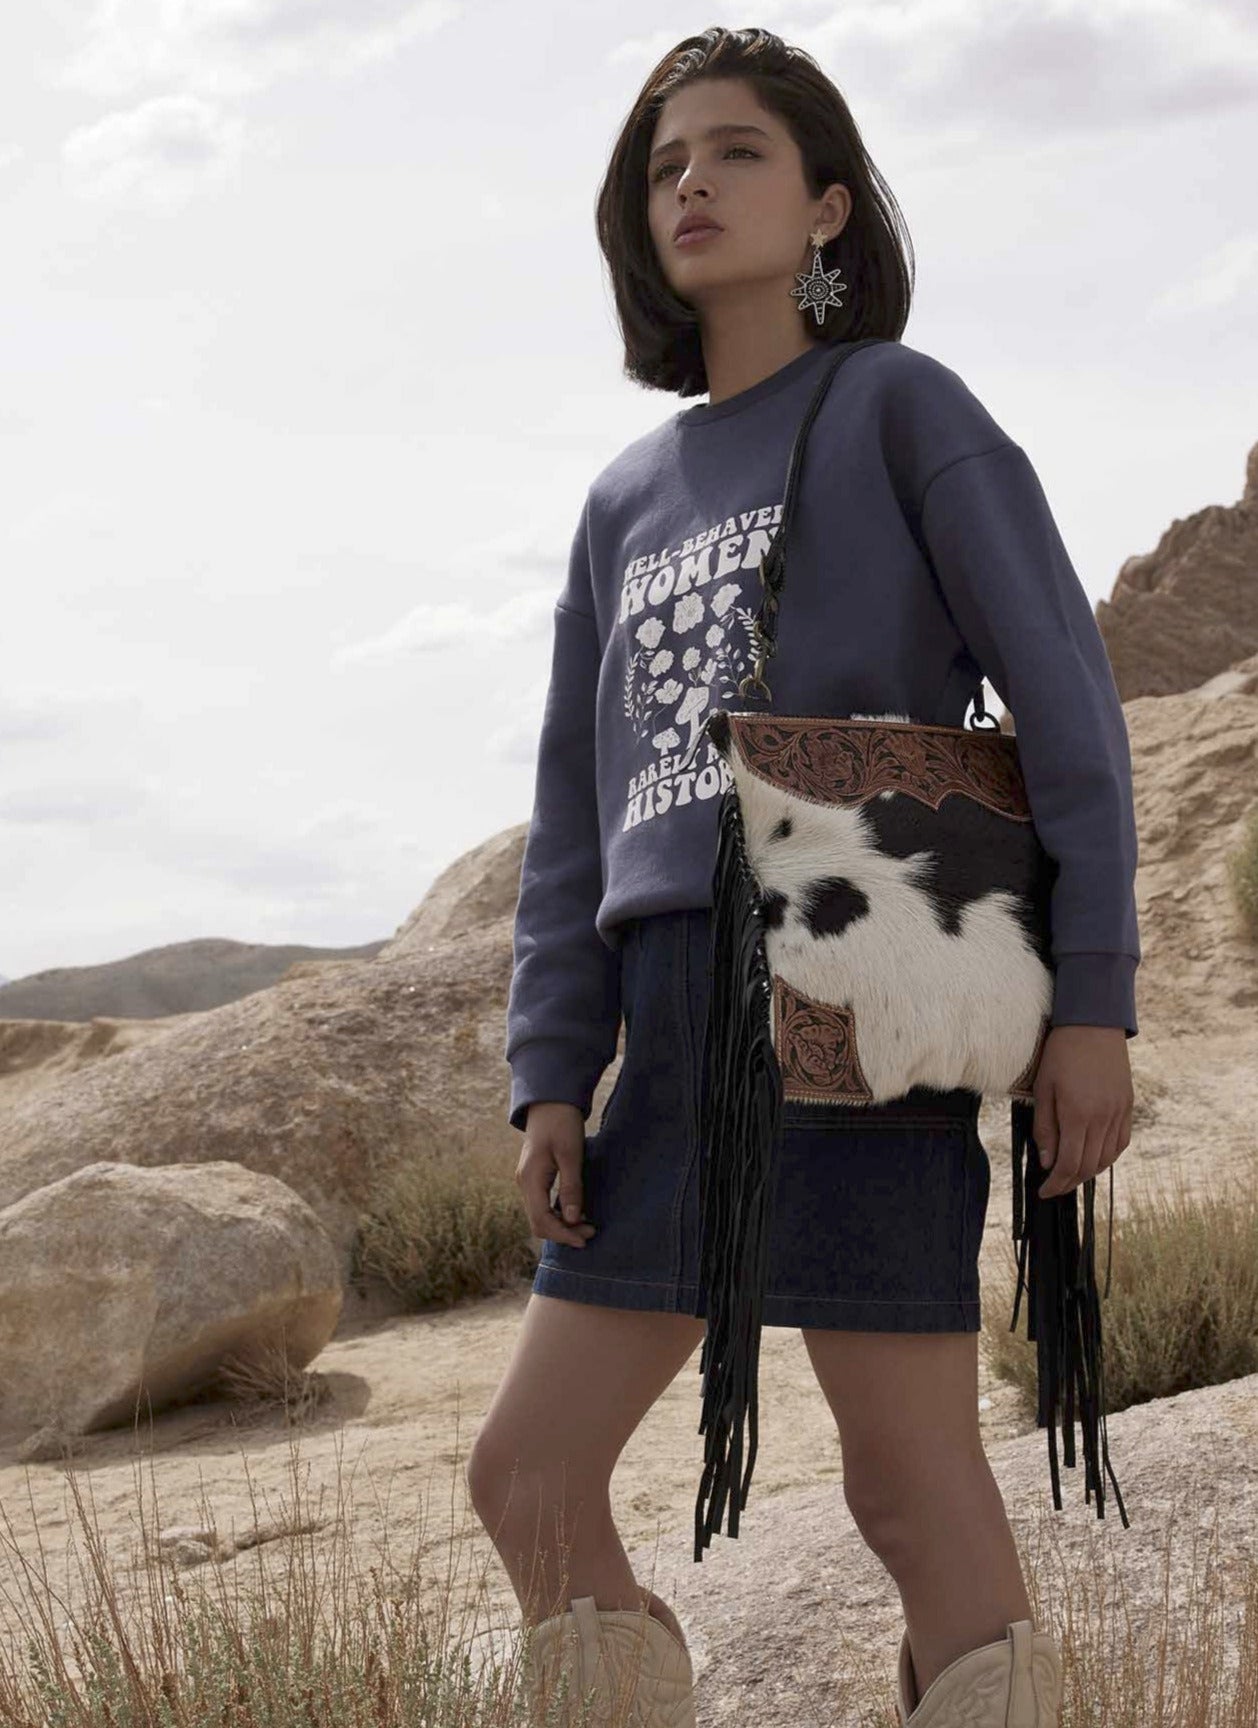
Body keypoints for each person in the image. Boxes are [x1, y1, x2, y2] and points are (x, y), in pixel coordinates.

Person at [467, 25, 1138, 1727]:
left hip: (859, 984)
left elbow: (1068, 718)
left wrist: (1096, 1016)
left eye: (737, 152)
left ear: (829, 206)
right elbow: (572, 812)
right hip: (674, 1030)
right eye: (662, 163)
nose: (688, 180)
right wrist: (552, 1071)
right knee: (526, 1481)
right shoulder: (621, 497)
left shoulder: (901, 406)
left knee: (905, 1492)